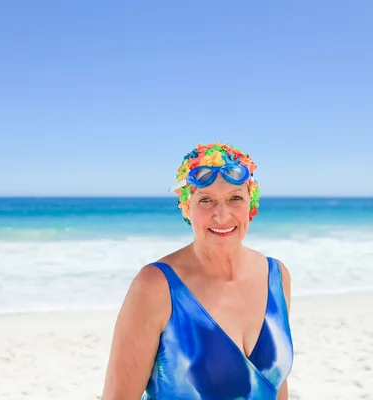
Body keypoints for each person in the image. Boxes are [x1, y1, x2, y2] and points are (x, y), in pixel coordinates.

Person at [102, 142, 294, 399]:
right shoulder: (156, 287)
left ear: (251, 205)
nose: (222, 215)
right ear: (186, 208)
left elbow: (277, 384)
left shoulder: (276, 277)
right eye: (206, 200)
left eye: (235, 198)